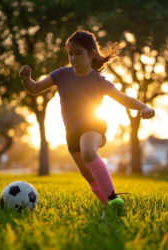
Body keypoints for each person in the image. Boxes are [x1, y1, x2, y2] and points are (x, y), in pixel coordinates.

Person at [19, 30, 155, 213]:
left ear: (91, 54)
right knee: (86, 172)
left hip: (93, 125)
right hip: (71, 131)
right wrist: (26, 79)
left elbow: (123, 98)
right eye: (70, 54)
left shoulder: (98, 81)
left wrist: (144, 108)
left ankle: (114, 199)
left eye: (78, 53)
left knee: (89, 152)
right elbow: (35, 88)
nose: (73, 58)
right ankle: (110, 207)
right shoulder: (61, 75)